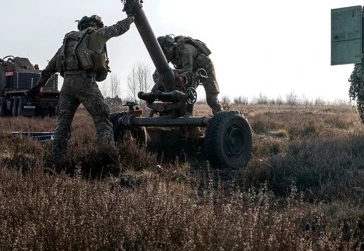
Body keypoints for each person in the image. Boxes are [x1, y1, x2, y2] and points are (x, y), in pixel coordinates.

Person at [29, 14, 134, 163]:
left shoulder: (67, 43)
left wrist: (39, 85)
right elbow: (118, 28)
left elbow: (49, 68)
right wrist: (132, 17)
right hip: (85, 83)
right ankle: (108, 160)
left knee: (63, 125)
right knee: (102, 120)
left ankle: (56, 160)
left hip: (67, 86)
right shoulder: (96, 35)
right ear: (97, 25)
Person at [157, 34, 222, 114]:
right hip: (189, 71)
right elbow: (158, 73)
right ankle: (186, 120)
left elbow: (188, 73)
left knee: (212, 99)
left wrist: (176, 77)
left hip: (206, 69)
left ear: (169, 47)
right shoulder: (168, 54)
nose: (163, 55)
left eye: (163, 51)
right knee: (183, 96)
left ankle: (221, 117)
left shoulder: (185, 50)